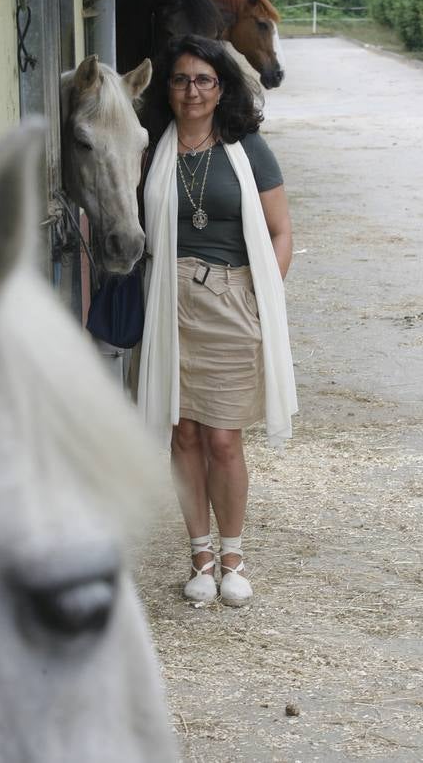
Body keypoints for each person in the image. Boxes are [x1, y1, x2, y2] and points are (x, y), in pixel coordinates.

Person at [137, 35, 297, 606]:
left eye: (204, 79)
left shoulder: (247, 147)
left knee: (224, 438)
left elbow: (281, 231)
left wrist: (262, 299)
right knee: (183, 432)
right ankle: (199, 555)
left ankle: (233, 554)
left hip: (230, 297)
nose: (192, 90)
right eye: (181, 79)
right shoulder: (151, 146)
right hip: (167, 298)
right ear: (169, 88)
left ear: (222, 86)